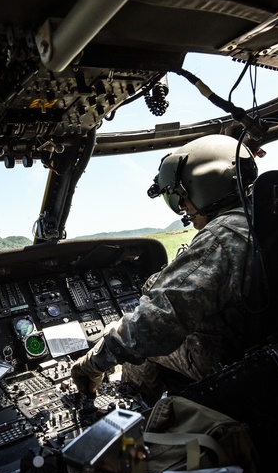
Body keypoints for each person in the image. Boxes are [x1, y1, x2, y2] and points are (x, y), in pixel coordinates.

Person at [70, 134, 259, 402]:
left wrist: (92, 362)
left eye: (182, 197)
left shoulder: (222, 237)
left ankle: (134, 414)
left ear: (205, 185)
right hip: (271, 345)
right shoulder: (265, 214)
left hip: (236, 361)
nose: (182, 207)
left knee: (140, 343)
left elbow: (152, 325)